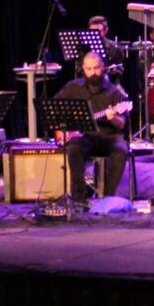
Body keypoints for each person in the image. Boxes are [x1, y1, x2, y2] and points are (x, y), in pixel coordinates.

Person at [53, 51, 129, 205]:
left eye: (96, 68)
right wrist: (61, 130)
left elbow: (122, 124)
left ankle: (107, 199)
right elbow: (55, 108)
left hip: (109, 137)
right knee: (73, 148)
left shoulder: (115, 92)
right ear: (83, 68)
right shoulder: (72, 87)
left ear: (104, 67)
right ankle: (79, 198)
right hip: (85, 137)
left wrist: (113, 117)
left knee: (121, 150)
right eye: (89, 69)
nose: (93, 72)